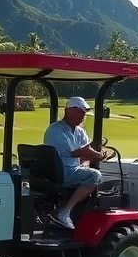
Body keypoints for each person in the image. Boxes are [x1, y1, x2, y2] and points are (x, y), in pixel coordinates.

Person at [43, 96, 105, 229]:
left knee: (89, 172)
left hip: (71, 169)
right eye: (79, 112)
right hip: (61, 172)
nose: (82, 116)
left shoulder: (80, 132)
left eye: (84, 113)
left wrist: (91, 158)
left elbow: (85, 151)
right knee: (95, 176)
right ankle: (64, 212)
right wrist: (98, 155)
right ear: (68, 111)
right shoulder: (56, 130)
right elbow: (76, 152)